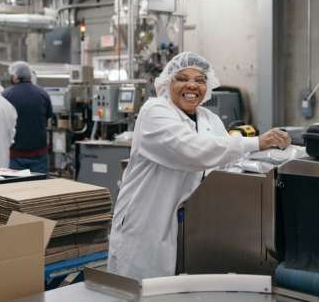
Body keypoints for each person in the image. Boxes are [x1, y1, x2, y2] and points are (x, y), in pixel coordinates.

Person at [107, 52, 290, 281]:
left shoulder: (209, 119)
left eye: (200, 80)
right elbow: (192, 150)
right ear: (167, 82)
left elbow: (227, 160)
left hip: (192, 224)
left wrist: (273, 158)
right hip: (147, 224)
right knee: (140, 291)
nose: (192, 85)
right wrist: (256, 142)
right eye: (182, 78)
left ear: (208, 86)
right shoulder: (154, 111)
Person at [2, 61, 52, 174]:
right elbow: (48, 118)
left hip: (15, 154)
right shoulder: (43, 94)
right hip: (39, 153)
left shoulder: (6, 95)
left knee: (17, 188)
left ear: (15, 77)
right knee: (40, 187)